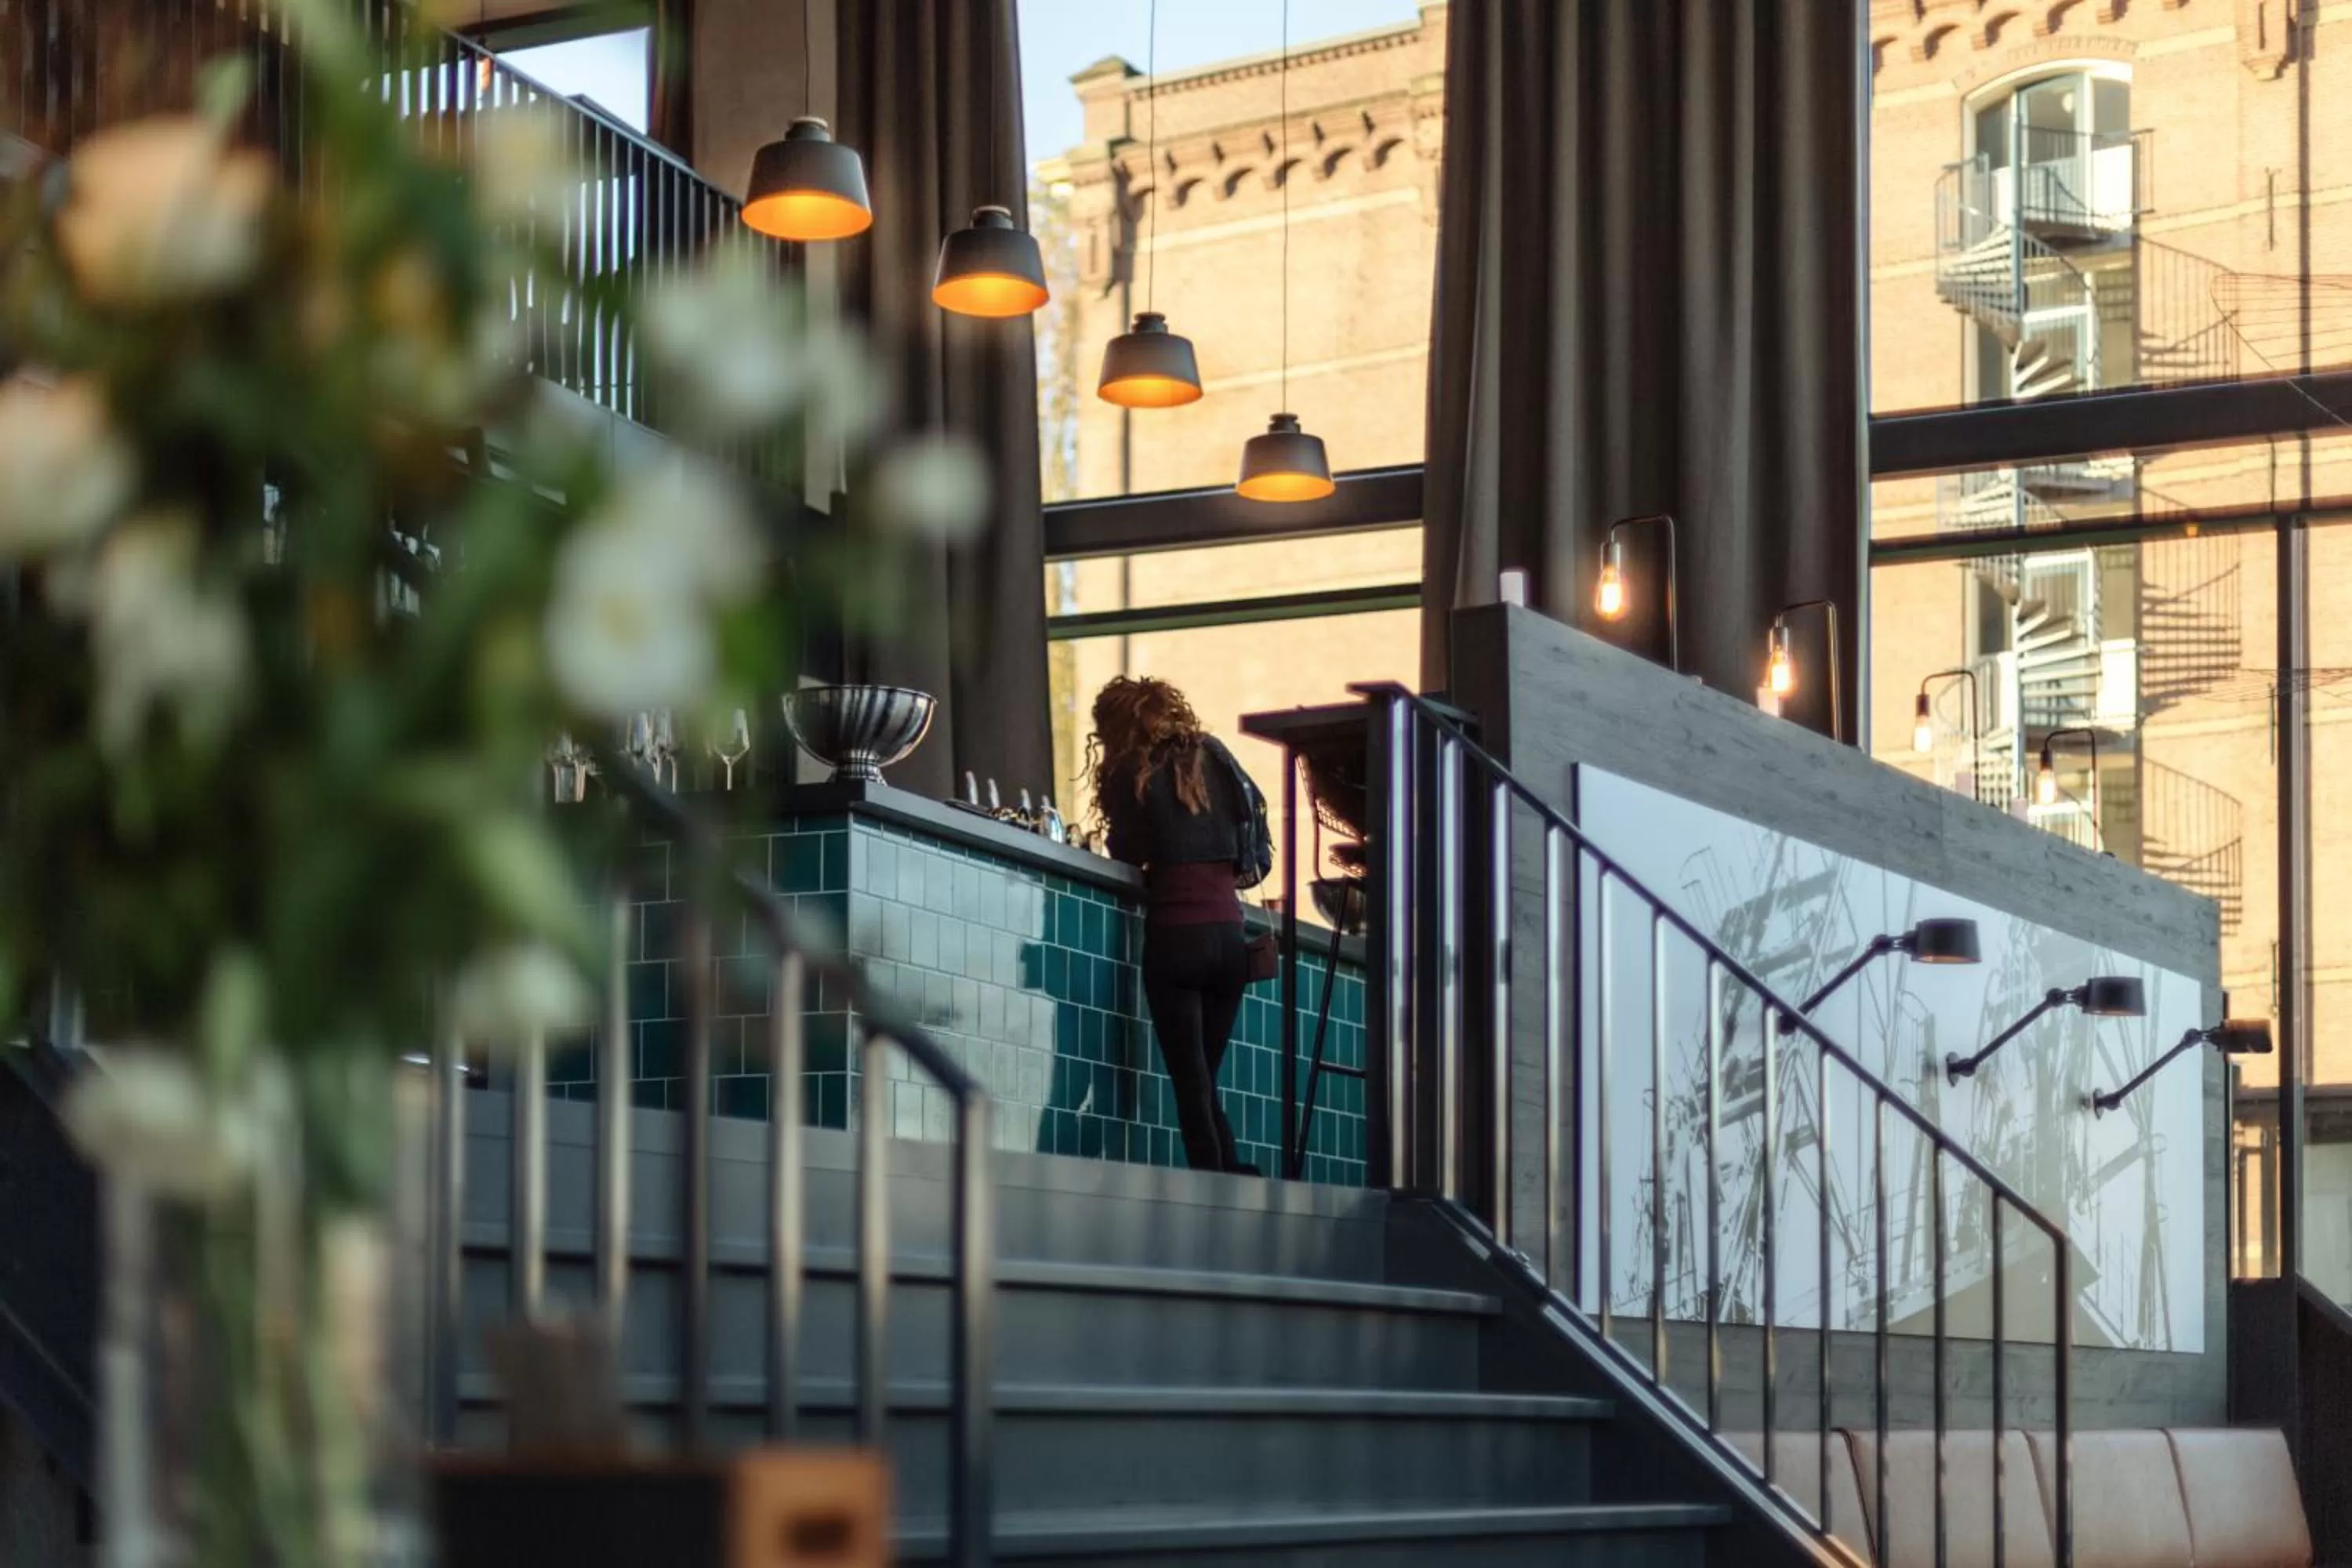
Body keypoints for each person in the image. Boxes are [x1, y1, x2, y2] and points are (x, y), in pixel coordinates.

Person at [1088, 676, 1261, 1176]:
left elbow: (1125, 850)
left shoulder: (1130, 770)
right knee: (1206, 1074)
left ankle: (1215, 1188)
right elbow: (1255, 836)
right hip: (1231, 938)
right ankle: (1232, 1169)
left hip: (1175, 939)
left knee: (1191, 1082)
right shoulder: (1218, 757)